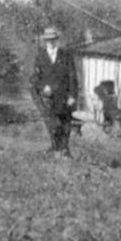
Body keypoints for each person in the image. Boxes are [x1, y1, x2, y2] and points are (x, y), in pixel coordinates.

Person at [30, 27, 79, 155]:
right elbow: (35, 78)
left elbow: (73, 77)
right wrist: (42, 86)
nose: (50, 42)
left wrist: (73, 96)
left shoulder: (66, 55)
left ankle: (64, 149)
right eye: (48, 40)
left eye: (53, 40)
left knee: (65, 123)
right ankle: (55, 147)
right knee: (52, 124)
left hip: (64, 96)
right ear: (45, 41)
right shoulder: (40, 57)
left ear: (57, 40)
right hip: (49, 98)